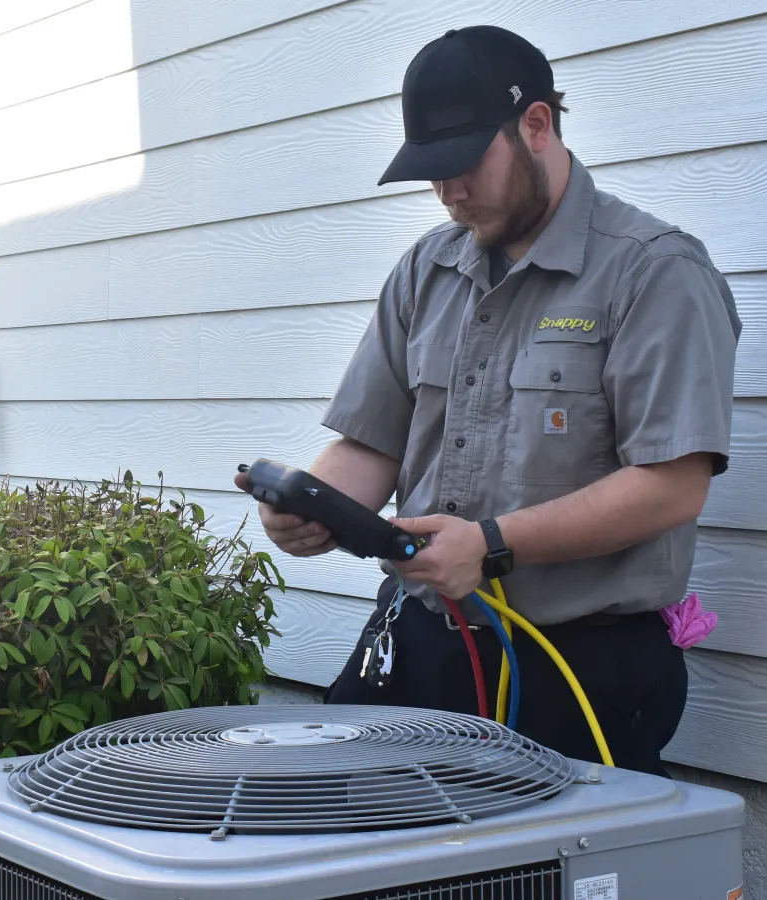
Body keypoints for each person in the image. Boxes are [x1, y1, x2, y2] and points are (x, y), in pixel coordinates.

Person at [234, 24, 741, 776]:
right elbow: (371, 441)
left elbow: (672, 484)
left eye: (466, 164)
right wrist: (314, 505)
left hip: (578, 666)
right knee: (337, 834)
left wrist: (491, 545)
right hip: (420, 638)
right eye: (431, 173)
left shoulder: (654, 273)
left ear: (536, 125)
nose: (449, 192)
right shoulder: (426, 268)